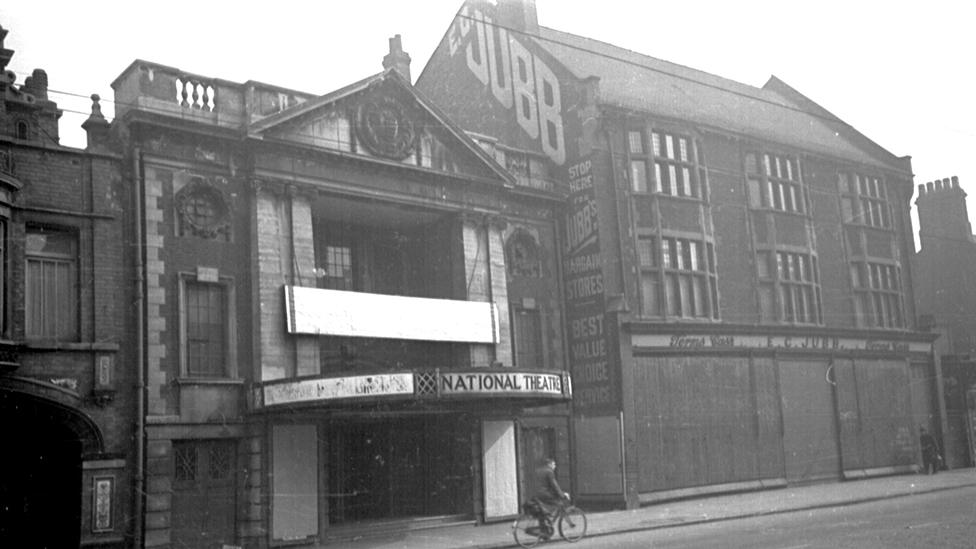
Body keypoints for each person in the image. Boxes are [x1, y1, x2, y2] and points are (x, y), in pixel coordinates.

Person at [531, 458, 570, 538]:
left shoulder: (538, 470)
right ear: (549, 464)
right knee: (558, 503)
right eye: (554, 464)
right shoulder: (549, 472)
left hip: (536, 494)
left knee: (542, 511)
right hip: (544, 494)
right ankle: (548, 522)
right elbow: (554, 485)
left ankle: (544, 530)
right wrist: (563, 495)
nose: (555, 466)